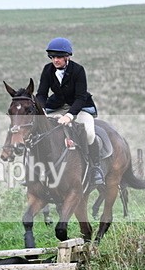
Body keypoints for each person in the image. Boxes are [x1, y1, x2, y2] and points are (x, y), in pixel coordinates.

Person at [35, 37, 104, 186]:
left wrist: (70, 116)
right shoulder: (47, 70)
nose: (55, 60)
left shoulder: (78, 70)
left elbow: (80, 97)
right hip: (57, 106)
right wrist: (42, 111)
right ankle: (38, 168)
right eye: (52, 57)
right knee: (41, 130)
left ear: (67, 57)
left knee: (89, 133)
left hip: (80, 107)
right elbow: (41, 94)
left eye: (59, 57)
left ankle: (95, 168)